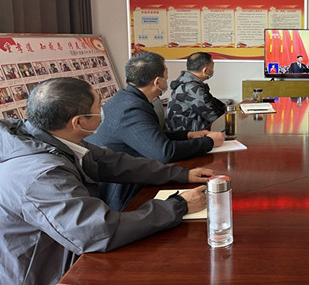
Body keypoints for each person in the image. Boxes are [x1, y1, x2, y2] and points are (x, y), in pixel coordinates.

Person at [0, 78, 214, 285]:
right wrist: (179, 205)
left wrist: (180, 174)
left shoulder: (48, 138)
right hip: (40, 272)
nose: (103, 109)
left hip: (64, 251)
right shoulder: (43, 175)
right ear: (78, 122)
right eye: (98, 106)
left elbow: (113, 163)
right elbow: (98, 231)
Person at [86, 51, 224, 210]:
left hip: (131, 173)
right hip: (123, 192)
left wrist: (188, 135)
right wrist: (209, 142)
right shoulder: (132, 109)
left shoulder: (124, 98)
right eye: (166, 75)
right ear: (158, 82)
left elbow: (149, 135)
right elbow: (164, 152)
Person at [166, 52, 226, 132]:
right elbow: (214, 117)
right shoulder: (191, 88)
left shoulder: (187, 82)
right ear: (205, 70)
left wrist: (228, 108)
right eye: (212, 67)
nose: (212, 70)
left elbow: (212, 102)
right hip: (187, 135)